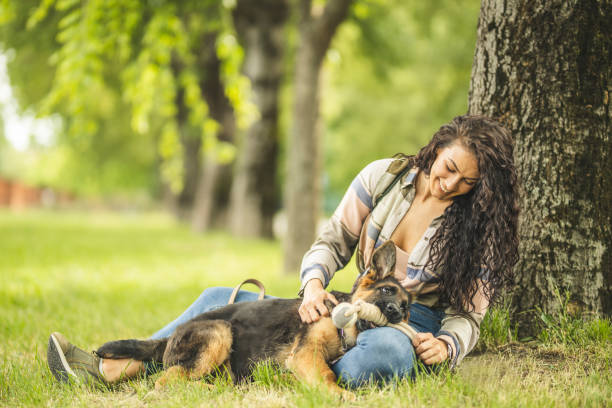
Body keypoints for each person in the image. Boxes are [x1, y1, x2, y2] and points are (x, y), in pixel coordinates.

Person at [47, 114, 519, 388]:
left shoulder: (477, 226)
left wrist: (449, 344)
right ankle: (117, 363)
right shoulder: (385, 176)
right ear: (438, 148)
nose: (451, 183)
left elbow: (470, 316)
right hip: (350, 306)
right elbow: (333, 241)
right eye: (450, 167)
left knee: (383, 359)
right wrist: (313, 284)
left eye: (467, 182)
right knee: (220, 299)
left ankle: (279, 362)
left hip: (409, 325)